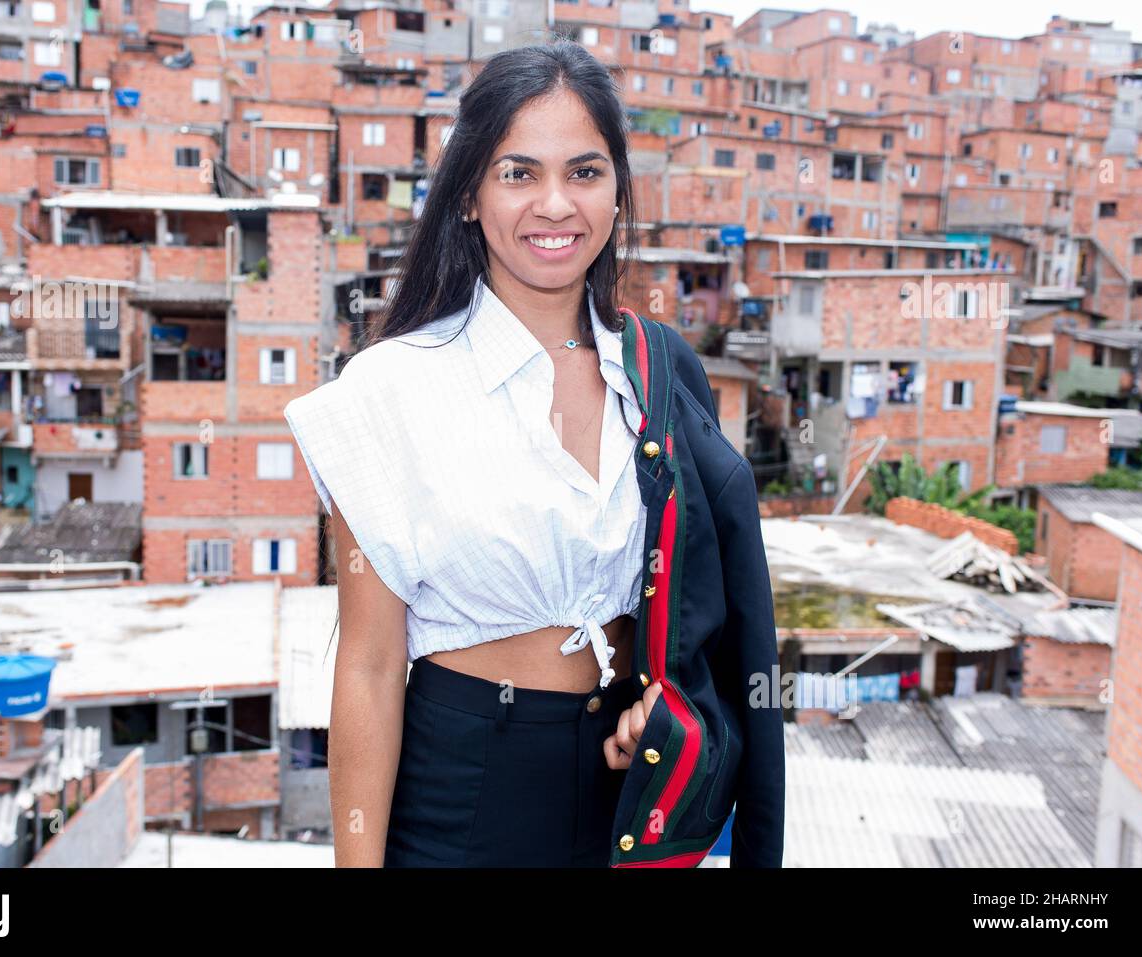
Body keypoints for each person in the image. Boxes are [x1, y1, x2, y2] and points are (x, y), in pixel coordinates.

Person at [283, 40, 783, 868]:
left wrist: (657, 708)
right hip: (463, 800)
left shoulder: (657, 377)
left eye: (585, 173)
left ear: (618, 193)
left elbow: (690, 615)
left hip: (623, 802)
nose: (556, 204)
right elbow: (369, 667)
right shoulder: (391, 390)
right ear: (470, 196)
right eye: (520, 173)